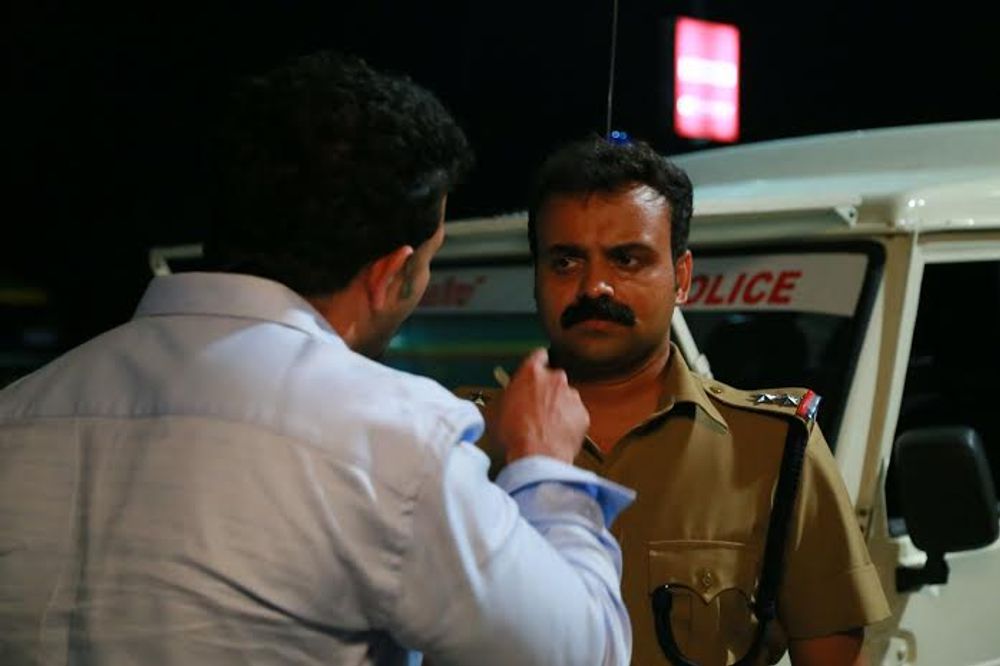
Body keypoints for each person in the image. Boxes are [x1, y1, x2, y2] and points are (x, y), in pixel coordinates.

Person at [0, 53, 636, 666]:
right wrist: (545, 466)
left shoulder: (17, 414)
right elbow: (580, 648)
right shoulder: (394, 439)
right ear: (390, 274)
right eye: (429, 259)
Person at [457, 136, 890, 666]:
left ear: (681, 278)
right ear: (537, 276)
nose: (595, 287)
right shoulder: (459, 441)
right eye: (566, 261)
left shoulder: (773, 449)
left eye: (627, 259)